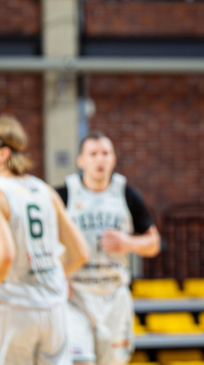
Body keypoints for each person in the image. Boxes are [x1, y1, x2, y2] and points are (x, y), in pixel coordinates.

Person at [0, 115, 89, 365]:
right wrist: (43, 272)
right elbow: (80, 253)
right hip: (54, 308)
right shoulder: (45, 190)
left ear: (2, 154)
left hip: (15, 310)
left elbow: (4, 256)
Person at [55, 131, 161, 365]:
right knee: (79, 361)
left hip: (114, 296)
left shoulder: (127, 194)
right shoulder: (63, 195)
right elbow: (46, 242)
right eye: (93, 154)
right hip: (76, 296)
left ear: (113, 159)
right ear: (81, 161)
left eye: (105, 153)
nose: (100, 159)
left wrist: (128, 242)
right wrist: (58, 273)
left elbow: (153, 243)